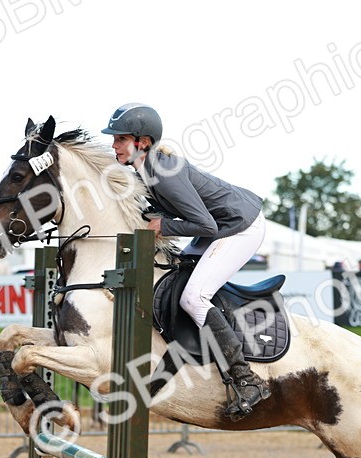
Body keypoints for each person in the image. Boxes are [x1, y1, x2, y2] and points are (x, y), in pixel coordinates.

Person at [102, 102, 270, 420]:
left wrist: (163, 226)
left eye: (120, 138)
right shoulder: (145, 170)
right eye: (115, 139)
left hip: (241, 226)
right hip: (222, 224)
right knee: (175, 277)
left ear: (143, 142)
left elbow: (204, 225)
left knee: (193, 297)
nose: (114, 145)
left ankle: (246, 379)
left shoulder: (164, 175)